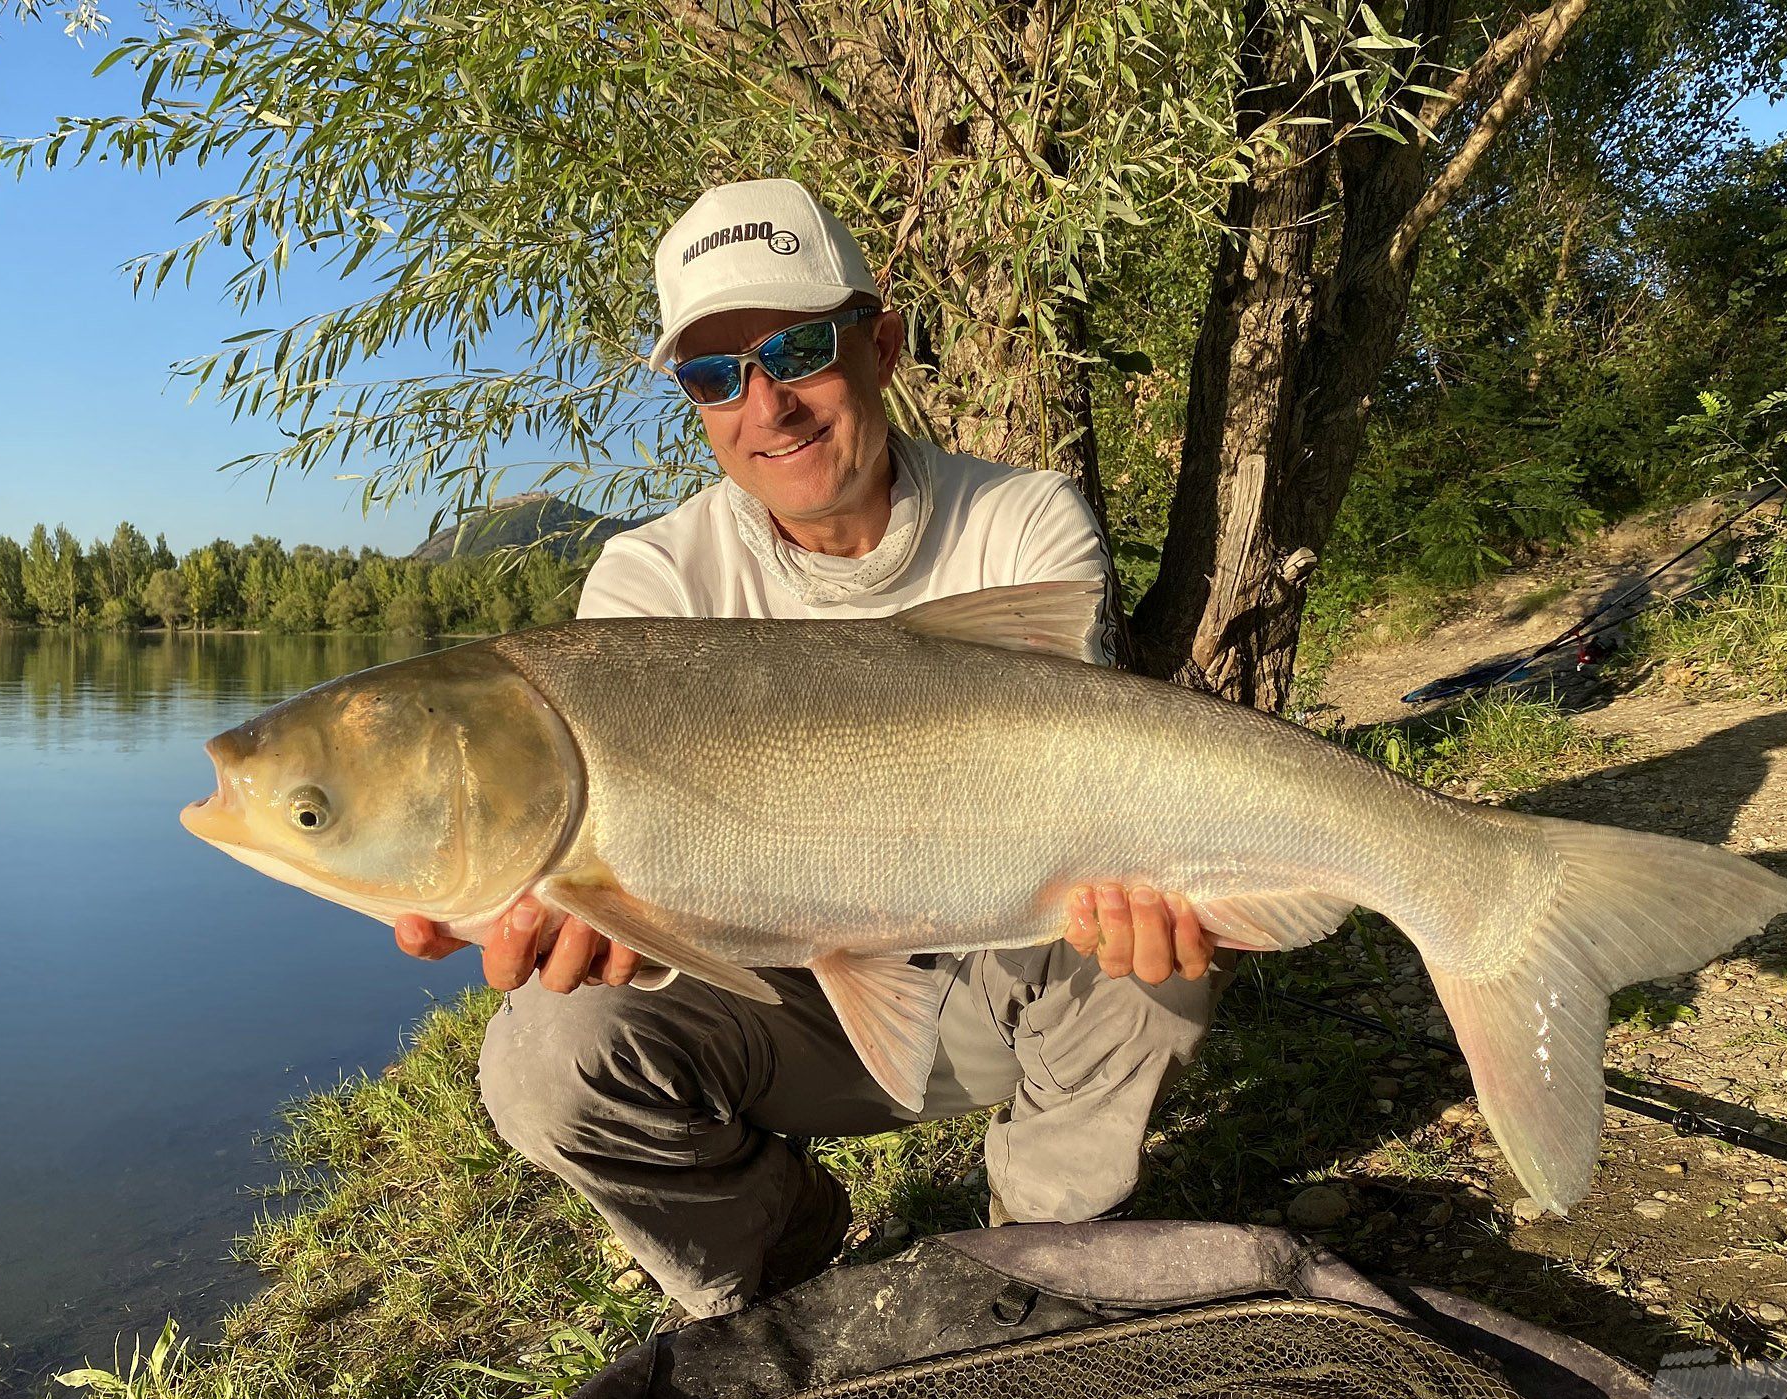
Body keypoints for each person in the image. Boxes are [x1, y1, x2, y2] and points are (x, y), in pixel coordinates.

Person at [395, 178, 1223, 1322]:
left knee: (1148, 963)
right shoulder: (650, 583)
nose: (765, 404)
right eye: (714, 374)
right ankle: (782, 1250)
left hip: (997, 979)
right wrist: (583, 906)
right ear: (693, 401)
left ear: (879, 342)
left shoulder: (1023, 522)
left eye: (795, 349)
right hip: (782, 1013)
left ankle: (1044, 1267)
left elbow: (1085, 796)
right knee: (544, 1060)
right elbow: (619, 889)